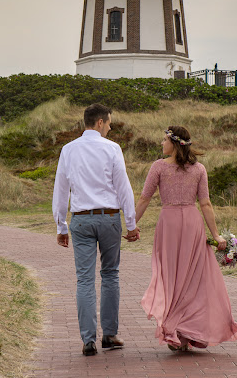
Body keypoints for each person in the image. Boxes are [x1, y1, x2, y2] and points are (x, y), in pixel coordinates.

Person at [135, 125, 237, 351]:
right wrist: (215, 235)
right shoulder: (199, 169)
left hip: (169, 224)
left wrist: (131, 224)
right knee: (192, 278)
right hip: (193, 224)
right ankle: (185, 333)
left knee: (171, 277)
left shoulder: (158, 167)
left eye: (164, 140)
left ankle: (175, 329)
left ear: (174, 144)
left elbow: (145, 198)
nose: (161, 144)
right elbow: (205, 203)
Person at [52, 103, 140, 357]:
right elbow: (123, 187)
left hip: (80, 219)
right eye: (109, 123)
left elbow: (60, 189)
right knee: (110, 274)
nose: (111, 128)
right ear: (99, 123)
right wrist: (131, 224)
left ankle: (88, 339)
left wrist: (61, 225)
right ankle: (110, 335)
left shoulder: (68, 150)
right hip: (109, 218)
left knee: (85, 279)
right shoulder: (112, 149)